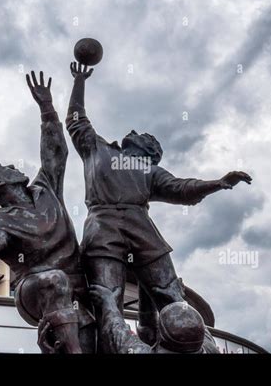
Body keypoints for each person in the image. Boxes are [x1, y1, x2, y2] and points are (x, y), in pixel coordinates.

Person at [66, 61, 252, 345]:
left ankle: (204, 348)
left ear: (149, 151)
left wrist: (217, 183)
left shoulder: (145, 169)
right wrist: (79, 81)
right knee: (108, 301)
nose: (134, 131)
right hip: (106, 231)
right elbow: (76, 119)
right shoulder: (97, 149)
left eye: (145, 136)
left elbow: (181, 188)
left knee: (170, 296)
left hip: (132, 231)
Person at [0, 71, 94, 354]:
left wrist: (46, 109)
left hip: (76, 293)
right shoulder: (2, 220)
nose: (14, 167)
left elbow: (55, 152)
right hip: (35, 289)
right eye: (6, 167)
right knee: (54, 280)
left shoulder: (46, 188)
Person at [89, 284, 218, 354]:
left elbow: (117, 333)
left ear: (162, 336)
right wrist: (177, 297)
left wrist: (109, 302)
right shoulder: (210, 348)